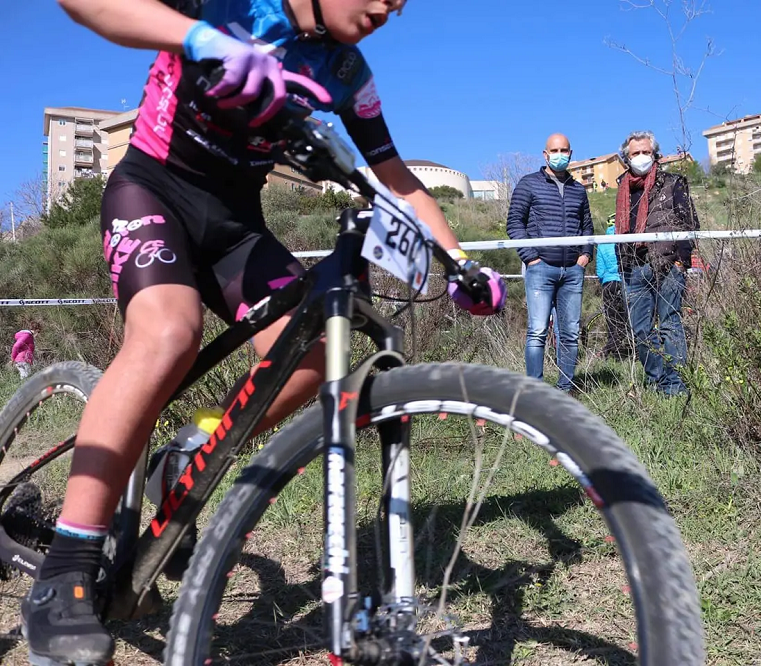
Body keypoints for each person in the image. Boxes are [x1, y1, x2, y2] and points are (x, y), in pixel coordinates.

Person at [28, 1, 507, 664]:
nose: (389, 6)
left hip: (236, 230)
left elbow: (396, 179)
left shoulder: (347, 72)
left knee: (312, 351)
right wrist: (198, 36)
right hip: (152, 192)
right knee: (168, 335)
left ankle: (190, 450)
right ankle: (66, 566)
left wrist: (458, 262)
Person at [506, 133, 594, 392]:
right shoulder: (528, 184)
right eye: (554, 151)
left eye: (564, 150)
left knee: (570, 333)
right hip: (540, 269)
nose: (559, 155)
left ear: (571, 153)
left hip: (573, 271)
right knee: (537, 331)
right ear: (545, 154)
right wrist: (531, 258)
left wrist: (585, 255)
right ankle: (536, 392)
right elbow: (514, 223)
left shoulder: (579, 189)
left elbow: (587, 226)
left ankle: (565, 390)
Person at [615, 130, 699, 396]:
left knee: (670, 324)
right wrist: (621, 261)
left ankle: (675, 386)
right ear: (626, 158)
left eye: (646, 152)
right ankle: (658, 379)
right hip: (633, 266)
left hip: (667, 264)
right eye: (635, 153)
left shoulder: (673, 183)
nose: (641, 157)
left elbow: (689, 223)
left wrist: (681, 262)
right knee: (640, 330)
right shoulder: (623, 188)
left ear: (655, 154)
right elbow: (621, 230)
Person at [595, 214, 629, 359]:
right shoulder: (626, 238)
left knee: (612, 319)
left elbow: (600, 271)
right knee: (627, 317)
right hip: (625, 281)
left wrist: (605, 279)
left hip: (609, 284)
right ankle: (628, 349)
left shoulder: (602, 242)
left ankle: (613, 351)